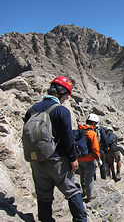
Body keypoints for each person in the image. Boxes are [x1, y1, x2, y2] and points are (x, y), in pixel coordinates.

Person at [23, 76, 87, 221]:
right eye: (66, 95)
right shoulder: (61, 111)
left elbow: (27, 136)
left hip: (37, 161)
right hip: (58, 161)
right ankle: (80, 219)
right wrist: (73, 159)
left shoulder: (31, 110)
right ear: (61, 93)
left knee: (43, 194)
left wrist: (32, 159)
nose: (66, 99)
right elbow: (68, 138)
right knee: (71, 191)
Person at [77, 114, 101, 203]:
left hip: (79, 158)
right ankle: (90, 195)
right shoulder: (92, 133)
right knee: (89, 177)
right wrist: (98, 159)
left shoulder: (79, 131)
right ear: (93, 123)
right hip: (89, 159)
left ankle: (84, 191)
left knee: (82, 175)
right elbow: (95, 148)